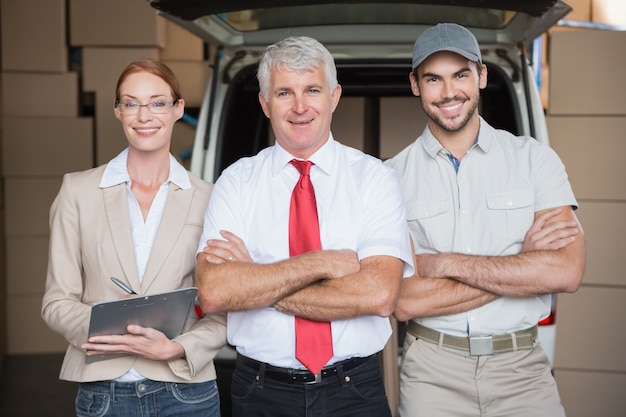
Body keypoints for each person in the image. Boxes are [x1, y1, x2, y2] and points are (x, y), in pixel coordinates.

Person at [195, 36, 414, 417]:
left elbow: (378, 294)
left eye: (312, 90)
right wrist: (321, 264)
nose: (299, 107)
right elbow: (214, 292)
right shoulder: (236, 181)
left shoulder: (374, 178)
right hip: (261, 391)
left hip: (354, 392)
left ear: (334, 96)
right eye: (284, 93)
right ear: (265, 103)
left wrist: (256, 279)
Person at [385, 23, 586, 416]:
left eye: (460, 74)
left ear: (481, 75)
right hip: (431, 373)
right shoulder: (391, 178)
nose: (448, 93)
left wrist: (442, 264)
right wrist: (521, 264)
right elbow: (405, 302)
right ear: (415, 84)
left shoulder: (534, 159)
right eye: (433, 79)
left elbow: (566, 272)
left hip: (523, 369)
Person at [41, 58, 226, 417]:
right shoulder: (77, 191)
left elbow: (227, 310)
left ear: (178, 109)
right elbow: (56, 302)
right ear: (118, 111)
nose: (144, 116)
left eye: (158, 102)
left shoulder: (211, 198)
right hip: (105, 396)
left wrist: (179, 348)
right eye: (131, 103)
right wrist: (111, 332)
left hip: (187, 393)